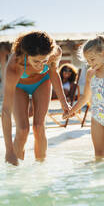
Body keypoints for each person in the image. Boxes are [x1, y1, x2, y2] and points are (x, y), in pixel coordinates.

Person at [2, 31, 70, 166]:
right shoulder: (14, 66)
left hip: (42, 82)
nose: (40, 65)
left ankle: (40, 168)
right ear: (26, 55)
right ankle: (15, 167)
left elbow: (53, 72)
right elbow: (5, 111)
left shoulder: (55, 53)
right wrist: (9, 150)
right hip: (19, 86)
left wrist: (64, 102)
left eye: (44, 60)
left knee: (39, 127)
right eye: (36, 61)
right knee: (22, 130)